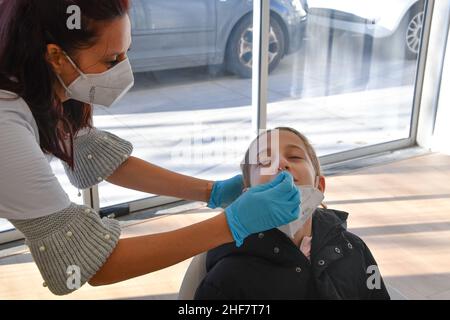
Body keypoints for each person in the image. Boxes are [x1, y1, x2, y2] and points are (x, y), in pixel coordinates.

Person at [0, 0, 300, 296]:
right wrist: (232, 224)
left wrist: (213, 191)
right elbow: (90, 264)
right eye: (111, 60)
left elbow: (92, 156)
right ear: (56, 56)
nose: (123, 71)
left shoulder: (43, 83)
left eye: (125, 54)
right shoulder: (5, 126)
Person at [194, 127, 390, 300]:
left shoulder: (354, 249)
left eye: (295, 157)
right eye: (264, 162)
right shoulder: (228, 279)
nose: (281, 164)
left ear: (318, 185)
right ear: (246, 195)